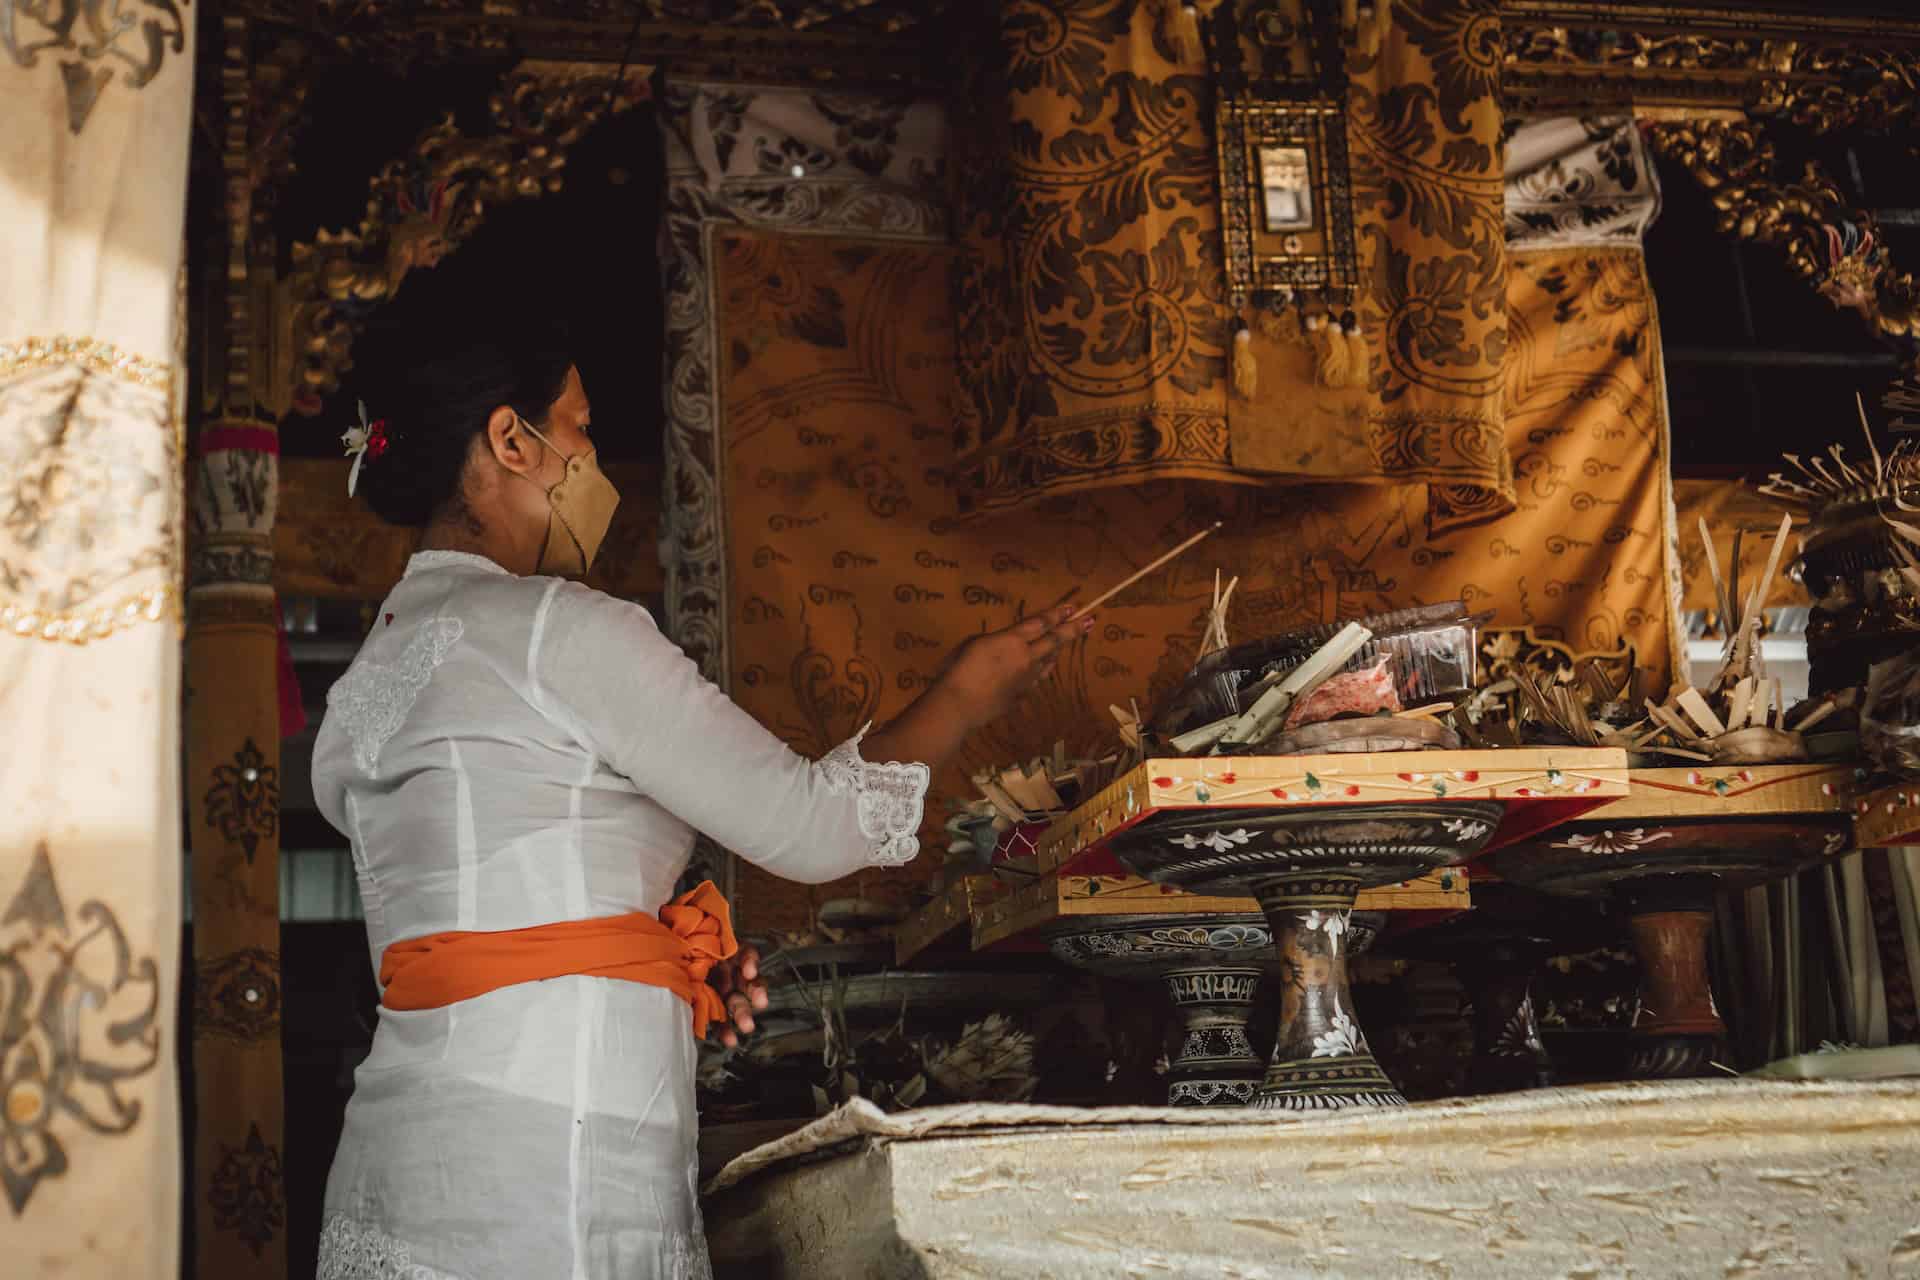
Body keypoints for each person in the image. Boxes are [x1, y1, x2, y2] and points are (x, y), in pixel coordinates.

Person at [310, 326, 1086, 1280]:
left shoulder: (365, 684)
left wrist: (654, 959)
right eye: (580, 428)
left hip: (403, 1160)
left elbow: (476, 924)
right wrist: (966, 695)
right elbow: (811, 827)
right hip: (550, 1168)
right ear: (512, 441)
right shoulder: (558, 630)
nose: (592, 457)